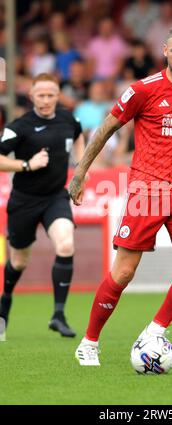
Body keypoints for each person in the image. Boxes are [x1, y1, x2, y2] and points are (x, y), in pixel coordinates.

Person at [68, 24, 172, 366]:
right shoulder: (143, 90)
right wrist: (81, 171)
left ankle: (155, 331)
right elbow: (105, 128)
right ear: (164, 51)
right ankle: (89, 341)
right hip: (147, 190)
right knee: (124, 273)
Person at [0, 73, 85, 337]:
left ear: (58, 95)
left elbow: (79, 137)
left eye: (51, 95)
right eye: (41, 95)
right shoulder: (19, 126)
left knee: (66, 244)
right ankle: (4, 305)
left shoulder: (69, 119)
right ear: (32, 96)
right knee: (19, 261)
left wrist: (80, 171)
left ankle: (58, 315)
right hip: (24, 201)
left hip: (55, 197)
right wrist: (27, 164)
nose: (46, 100)